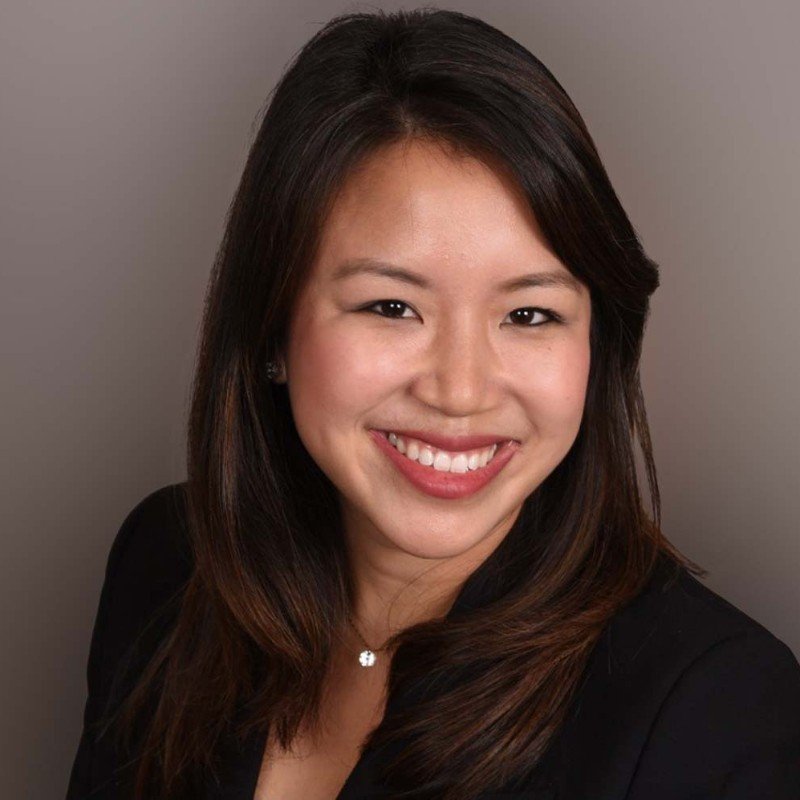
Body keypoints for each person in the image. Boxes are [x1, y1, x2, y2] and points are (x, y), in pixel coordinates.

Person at [65, 8, 800, 800]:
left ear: (599, 346)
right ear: (271, 326)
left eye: (529, 315)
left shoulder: (710, 708)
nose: (460, 389)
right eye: (391, 307)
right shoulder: (169, 566)